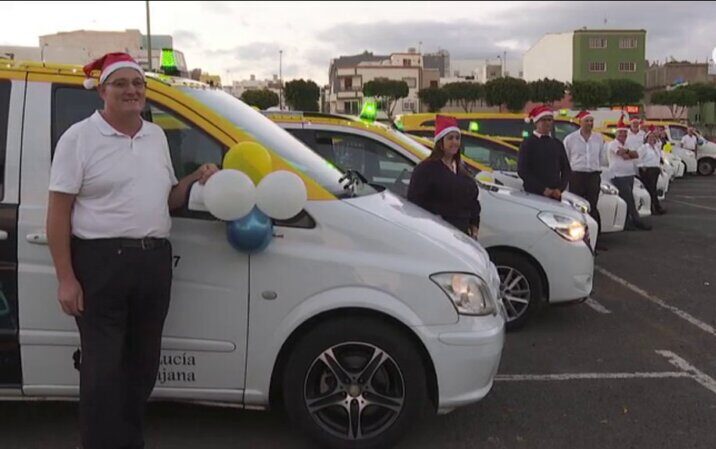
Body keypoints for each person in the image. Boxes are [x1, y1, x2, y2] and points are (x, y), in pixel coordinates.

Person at [46, 53, 219, 449]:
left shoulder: (155, 136)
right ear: (102, 91)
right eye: (121, 84)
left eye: (137, 84)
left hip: (153, 263)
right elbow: (58, 212)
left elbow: (168, 199)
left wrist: (196, 178)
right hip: (101, 264)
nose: (131, 91)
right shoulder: (79, 138)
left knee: (142, 368)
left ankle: (128, 442)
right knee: (102, 372)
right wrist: (66, 278)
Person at [407, 115, 480, 237]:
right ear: (440, 142)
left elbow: (473, 201)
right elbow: (415, 204)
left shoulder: (462, 168)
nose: (455, 142)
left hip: (463, 235)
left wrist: (474, 223)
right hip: (438, 234)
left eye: (457, 138)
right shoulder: (425, 169)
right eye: (450, 138)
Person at [563, 110, 607, 247]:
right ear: (580, 122)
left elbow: (602, 158)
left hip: (593, 175)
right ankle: (579, 238)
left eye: (591, 121)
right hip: (577, 175)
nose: (589, 123)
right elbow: (566, 159)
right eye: (587, 121)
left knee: (592, 207)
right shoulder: (570, 139)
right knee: (577, 207)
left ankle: (596, 240)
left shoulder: (598, 138)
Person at [518, 105, 571, 201]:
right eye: (543, 120)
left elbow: (566, 169)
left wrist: (560, 189)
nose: (547, 123)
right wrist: (542, 189)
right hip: (534, 195)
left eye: (549, 120)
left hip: (555, 195)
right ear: (536, 123)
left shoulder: (557, 144)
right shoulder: (528, 143)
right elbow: (522, 171)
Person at [607, 117, 651, 231]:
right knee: (628, 199)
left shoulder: (628, 143)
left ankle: (626, 222)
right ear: (616, 133)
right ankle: (636, 220)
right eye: (621, 132)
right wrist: (629, 153)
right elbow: (625, 156)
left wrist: (628, 152)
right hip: (618, 175)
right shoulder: (612, 144)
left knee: (627, 199)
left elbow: (636, 155)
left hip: (629, 174)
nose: (623, 134)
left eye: (625, 132)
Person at [638, 129, 667, 215]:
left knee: (653, 189)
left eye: (653, 138)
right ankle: (655, 207)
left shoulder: (656, 148)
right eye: (650, 138)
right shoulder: (644, 147)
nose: (652, 140)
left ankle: (654, 206)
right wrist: (642, 166)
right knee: (651, 189)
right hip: (647, 170)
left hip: (655, 169)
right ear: (646, 139)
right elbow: (638, 157)